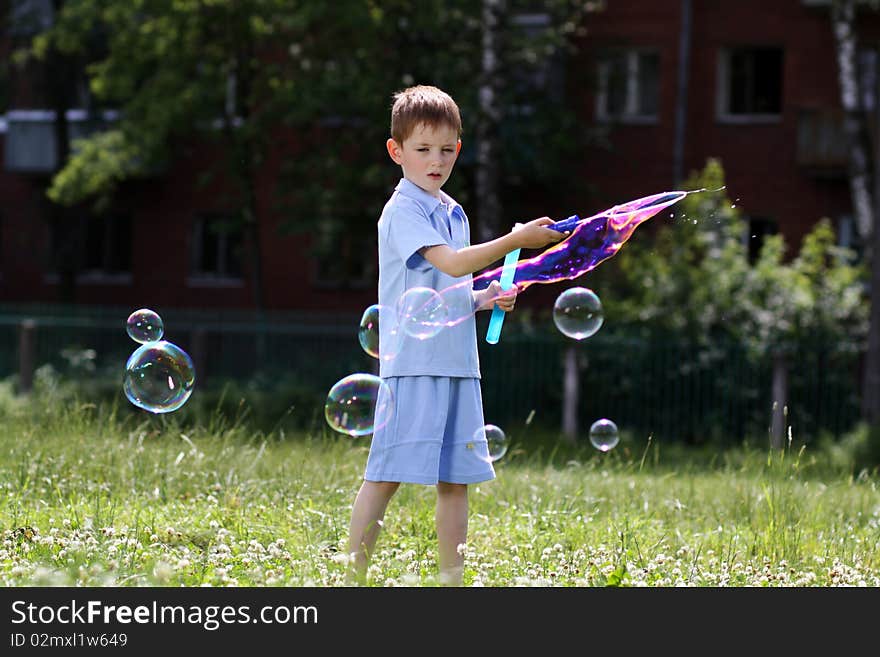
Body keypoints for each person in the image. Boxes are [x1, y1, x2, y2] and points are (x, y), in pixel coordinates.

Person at [346, 84, 567, 586]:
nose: (435, 160)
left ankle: (452, 581)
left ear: (458, 150)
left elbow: (446, 288)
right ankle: (350, 576)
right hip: (415, 363)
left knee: (456, 481)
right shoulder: (403, 210)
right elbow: (449, 263)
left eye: (446, 149)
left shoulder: (452, 211)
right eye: (422, 149)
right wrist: (516, 241)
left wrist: (483, 298)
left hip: (458, 364)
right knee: (385, 474)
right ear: (396, 151)